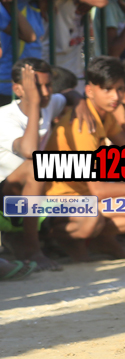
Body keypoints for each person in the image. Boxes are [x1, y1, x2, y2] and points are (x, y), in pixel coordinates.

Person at [46, 56, 125, 260]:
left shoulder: (105, 115)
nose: (115, 96)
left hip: (87, 198)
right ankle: (54, 236)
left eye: (120, 89)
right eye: (107, 89)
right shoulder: (84, 125)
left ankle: (100, 240)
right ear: (90, 91)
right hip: (59, 201)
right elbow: (98, 190)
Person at [0, 59, 63, 271]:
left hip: (31, 200)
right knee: (36, 166)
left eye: (48, 85)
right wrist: (34, 104)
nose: (44, 93)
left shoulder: (51, 102)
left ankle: (34, 238)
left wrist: (78, 103)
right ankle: (32, 249)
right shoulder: (5, 118)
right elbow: (30, 152)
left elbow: (69, 95)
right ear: (18, 89)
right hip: (4, 201)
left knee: (87, 215)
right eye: (36, 87)